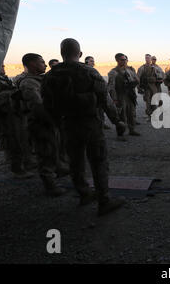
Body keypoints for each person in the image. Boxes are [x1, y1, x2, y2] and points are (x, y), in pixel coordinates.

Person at [42, 38, 127, 216]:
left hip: (67, 125)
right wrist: (116, 121)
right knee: (98, 161)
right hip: (90, 124)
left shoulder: (50, 75)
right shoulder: (89, 72)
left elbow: (47, 105)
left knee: (75, 162)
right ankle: (104, 200)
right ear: (79, 54)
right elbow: (105, 100)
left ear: (62, 53)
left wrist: (57, 125)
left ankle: (84, 193)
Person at [18, 54, 65, 197]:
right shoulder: (28, 83)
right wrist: (53, 120)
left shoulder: (41, 80)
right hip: (40, 124)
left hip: (50, 121)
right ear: (32, 64)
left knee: (55, 147)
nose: (45, 65)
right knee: (45, 153)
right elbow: (37, 106)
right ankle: (50, 185)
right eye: (42, 62)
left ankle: (58, 168)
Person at [108, 54, 140, 137]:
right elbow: (111, 87)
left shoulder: (130, 70)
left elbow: (136, 80)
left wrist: (135, 82)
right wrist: (114, 99)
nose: (124, 61)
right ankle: (120, 134)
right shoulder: (113, 72)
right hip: (120, 95)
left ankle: (132, 129)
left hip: (130, 95)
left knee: (131, 113)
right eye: (122, 60)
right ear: (117, 60)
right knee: (122, 115)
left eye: (125, 59)